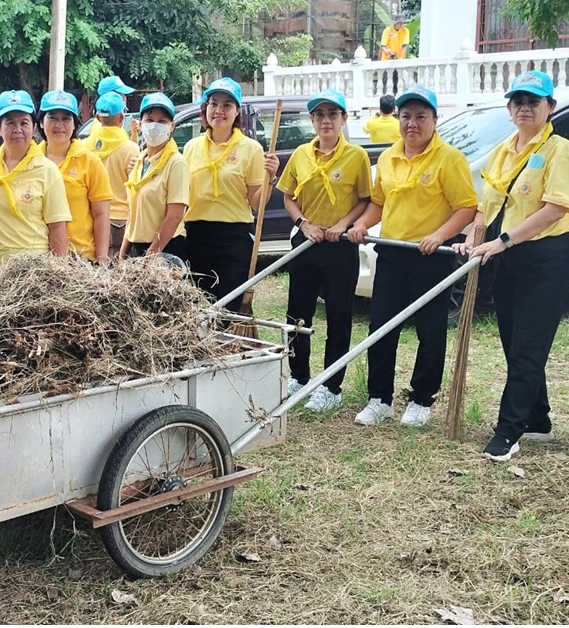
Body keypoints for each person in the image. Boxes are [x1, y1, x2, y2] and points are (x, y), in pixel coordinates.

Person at [455, 71, 569, 462]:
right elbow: (485, 204)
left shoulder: (561, 150)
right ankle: (538, 419)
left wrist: (502, 241)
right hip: (506, 253)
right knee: (514, 340)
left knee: (529, 343)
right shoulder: (504, 149)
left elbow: (556, 208)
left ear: (550, 107)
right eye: (518, 101)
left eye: (534, 101)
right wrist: (474, 238)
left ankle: (508, 430)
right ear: (510, 108)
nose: (525, 108)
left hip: (546, 255)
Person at [346, 84, 477, 427]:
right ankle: (379, 398)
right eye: (406, 116)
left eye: (421, 116)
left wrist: (439, 235)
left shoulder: (449, 158)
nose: (412, 123)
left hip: (431, 256)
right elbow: (378, 202)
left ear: (435, 119)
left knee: (430, 329)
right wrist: (361, 225)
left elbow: (466, 208)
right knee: (381, 325)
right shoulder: (388, 157)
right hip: (392, 252)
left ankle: (421, 398)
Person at [278, 89, 372, 412]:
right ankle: (298, 376)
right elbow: (288, 196)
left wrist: (343, 225)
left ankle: (332, 385)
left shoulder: (356, 157)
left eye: (333, 114)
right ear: (312, 120)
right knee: (297, 314)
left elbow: (365, 199)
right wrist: (304, 224)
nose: (326, 121)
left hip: (339, 246)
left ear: (344, 119)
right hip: (306, 242)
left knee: (339, 315)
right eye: (319, 115)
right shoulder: (301, 155)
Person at [182, 77, 278, 311]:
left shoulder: (250, 148)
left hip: (234, 237)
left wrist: (270, 178)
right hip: (196, 234)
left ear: (237, 112)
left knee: (229, 307)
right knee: (199, 307)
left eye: (227, 105)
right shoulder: (191, 147)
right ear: (206, 110)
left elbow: (257, 203)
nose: (219, 111)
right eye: (214, 104)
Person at [0, 90, 71, 267]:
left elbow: (57, 227)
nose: (18, 130)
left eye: (24, 123)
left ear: (34, 127)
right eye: (10, 123)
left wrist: (59, 273)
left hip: (33, 269)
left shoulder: (47, 170)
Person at [39, 90, 113, 262]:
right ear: (41, 123)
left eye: (66, 118)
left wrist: (101, 261)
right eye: (52, 117)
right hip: (39, 257)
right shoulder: (31, 161)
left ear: (74, 124)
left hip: (80, 258)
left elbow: (101, 215)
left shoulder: (90, 162)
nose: (59, 125)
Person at [121, 92, 190, 261]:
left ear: (172, 126)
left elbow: (174, 216)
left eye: (162, 122)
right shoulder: (140, 161)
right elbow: (134, 214)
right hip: (138, 249)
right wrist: (122, 255)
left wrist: (151, 257)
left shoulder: (176, 163)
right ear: (140, 124)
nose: (155, 126)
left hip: (165, 249)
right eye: (150, 120)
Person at [87, 91, 138, 254]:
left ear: (96, 117)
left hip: (92, 217)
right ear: (122, 118)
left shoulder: (83, 146)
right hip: (121, 222)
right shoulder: (130, 148)